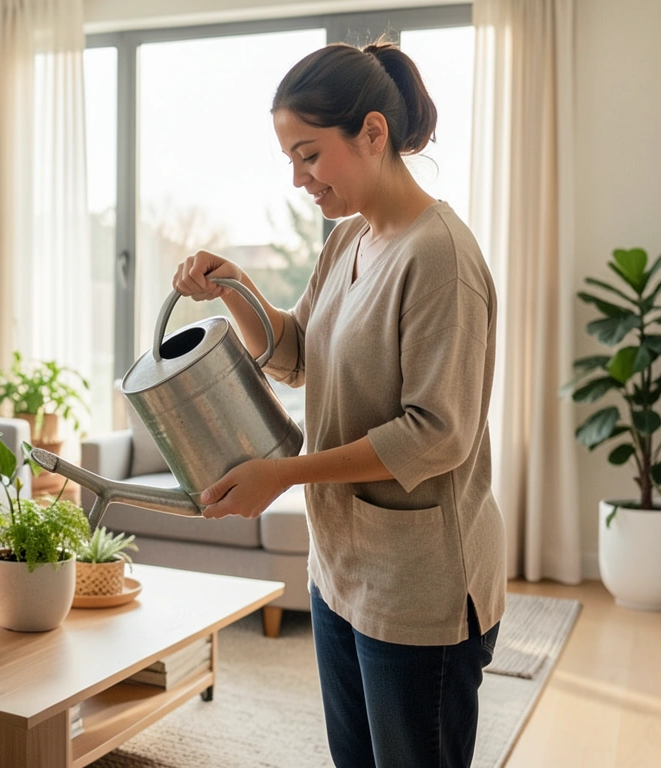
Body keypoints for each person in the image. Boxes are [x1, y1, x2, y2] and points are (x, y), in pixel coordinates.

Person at [172, 41, 505, 768]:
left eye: (310, 155)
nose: (297, 178)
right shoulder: (349, 239)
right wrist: (236, 289)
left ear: (374, 134)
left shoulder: (439, 257)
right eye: (290, 159)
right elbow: (295, 353)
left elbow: (437, 434)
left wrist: (283, 475)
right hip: (342, 571)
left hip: (420, 589)